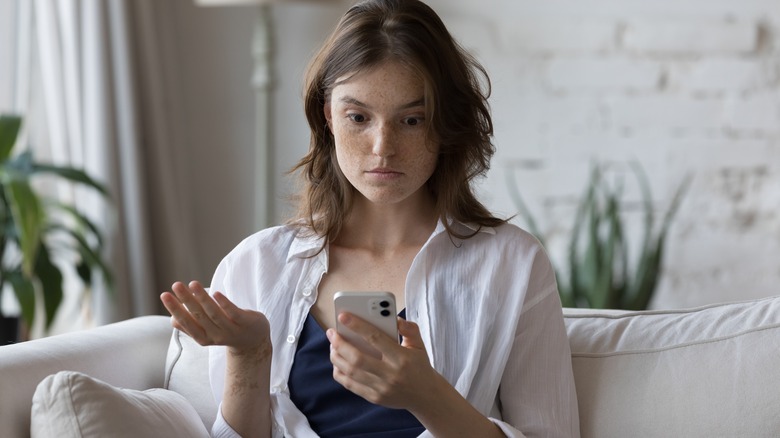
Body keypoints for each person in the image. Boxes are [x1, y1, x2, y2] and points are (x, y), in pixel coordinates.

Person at [160, 0, 580, 436]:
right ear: (328, 117)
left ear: (445, 124)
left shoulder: (511, 265)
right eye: (358, 117)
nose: (383, 146)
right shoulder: (255, 266)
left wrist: (427, 396)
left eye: (412, 120)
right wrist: (250, 355)